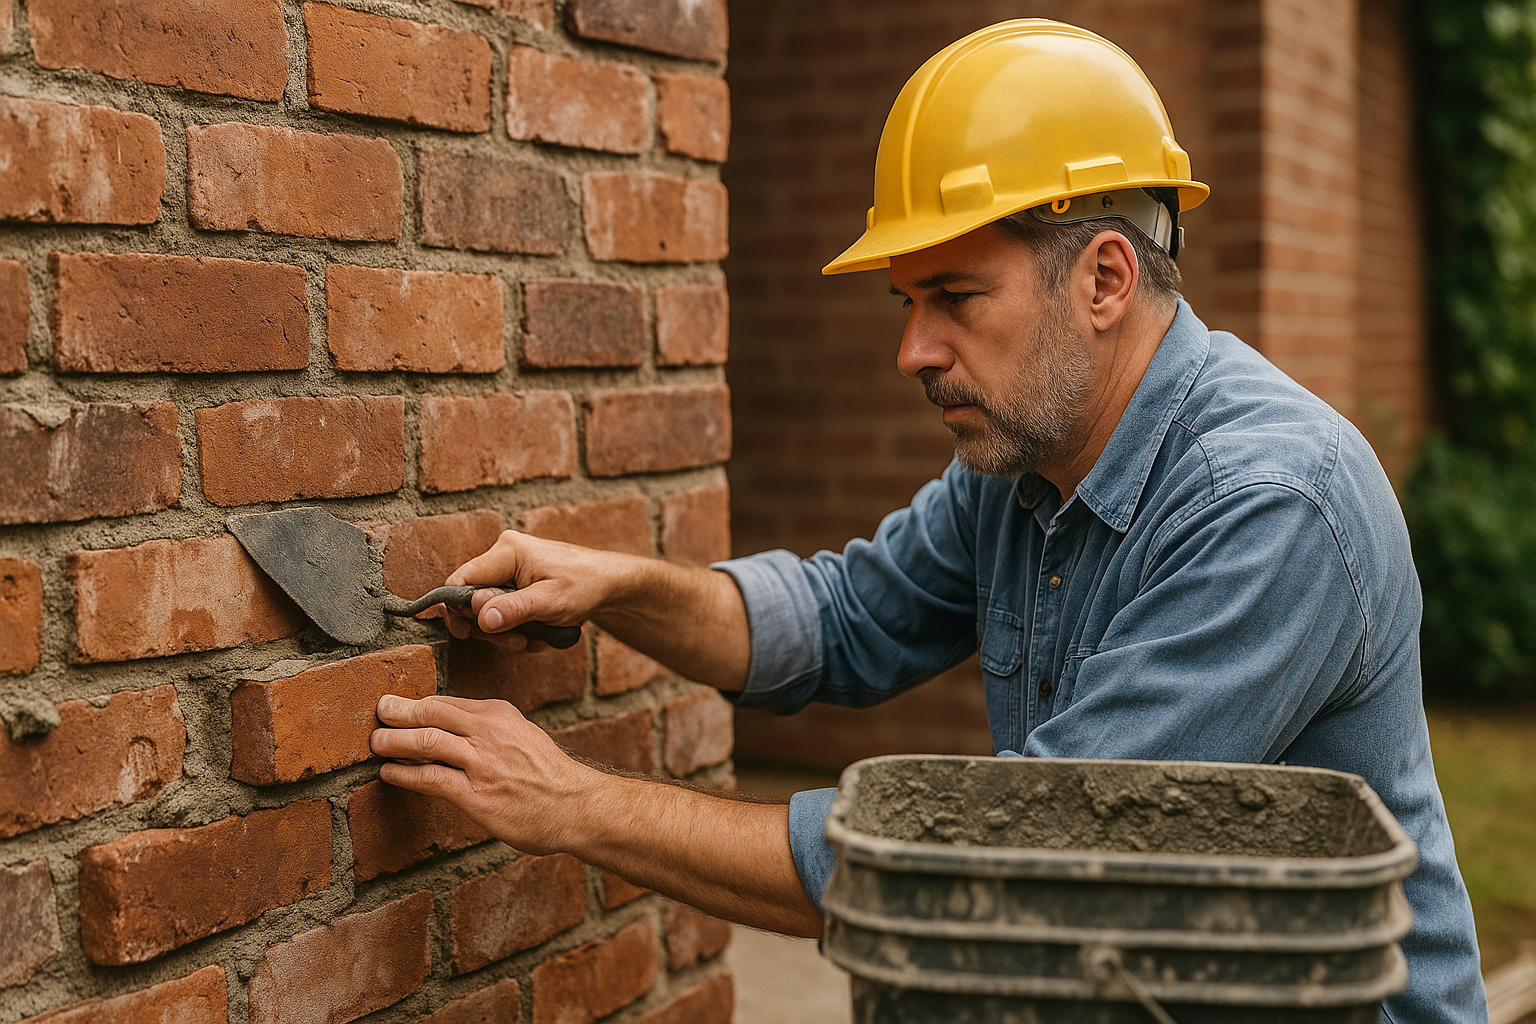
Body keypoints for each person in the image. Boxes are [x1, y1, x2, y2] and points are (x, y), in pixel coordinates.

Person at [370, 19, 1488, 1022]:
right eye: (906, 304)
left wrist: (575, 804)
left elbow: (1019, 853)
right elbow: (843, 619)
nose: (913, 351)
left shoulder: (1270, 505)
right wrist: (620, 587)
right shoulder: (1025, 461)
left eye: (953, 298)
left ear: (1103, 281)